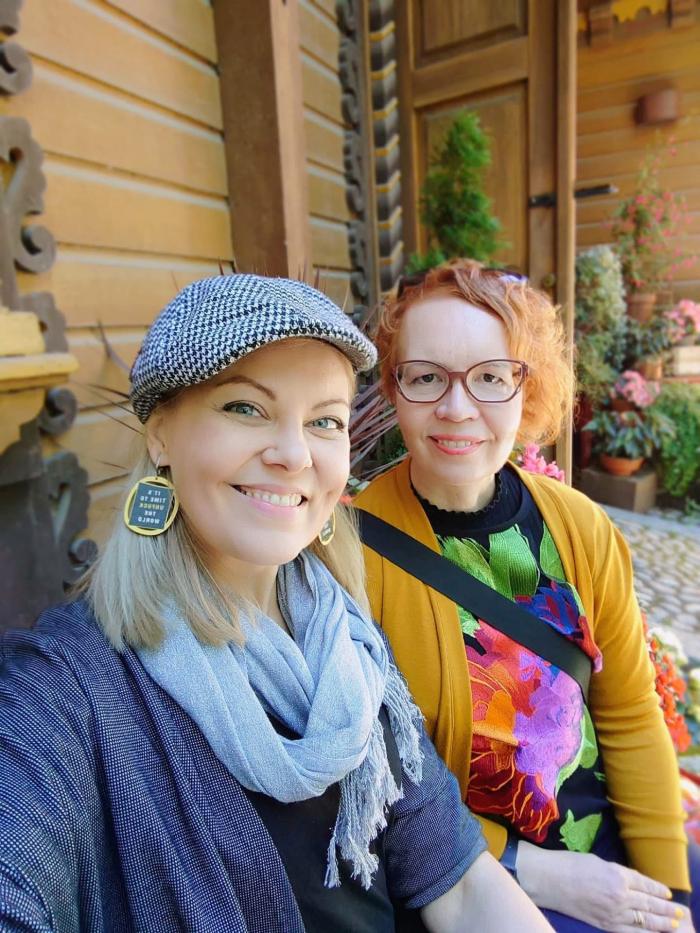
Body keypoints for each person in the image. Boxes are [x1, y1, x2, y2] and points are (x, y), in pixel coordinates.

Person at [0, 274, 552, 933]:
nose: (294, 454)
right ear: (160, 434)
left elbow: (459, 884)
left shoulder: (347, 640)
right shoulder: (66, 689)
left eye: (324, 421)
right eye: (245, 407)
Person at [354, 259, 697, 933]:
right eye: (425, 376)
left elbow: (630, 715)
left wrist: (669, 896)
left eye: (490, 376)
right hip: (473, 879)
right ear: (394, 387)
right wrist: (529, 867)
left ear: (526, 385)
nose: (457, 408)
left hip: (609, 851)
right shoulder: (351, 557)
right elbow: (376, 786)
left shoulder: (581, 526)